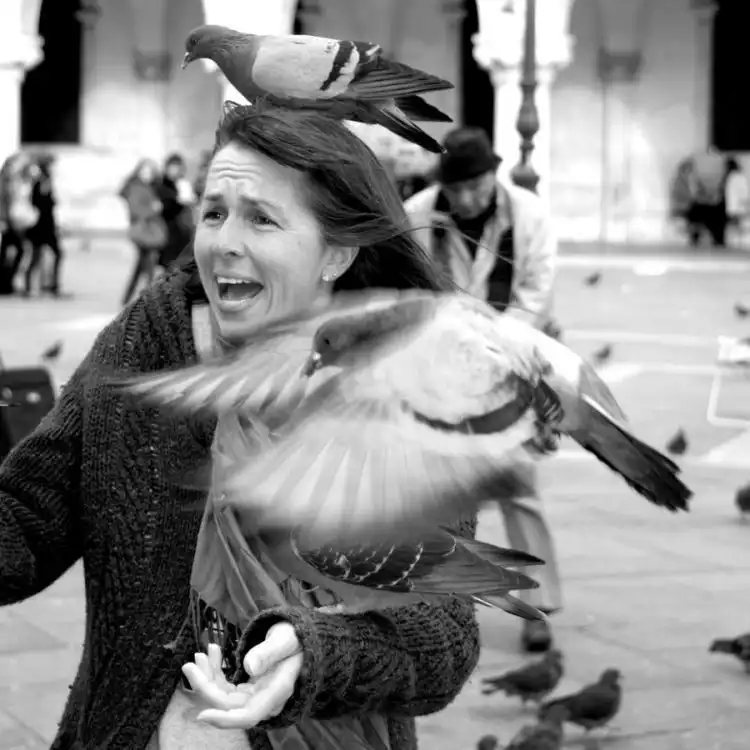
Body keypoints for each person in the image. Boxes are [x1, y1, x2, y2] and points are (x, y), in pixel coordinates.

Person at [0, 102, 479, 749]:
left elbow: (443, 633)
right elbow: (26, 522)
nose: (224, 241)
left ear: (336, 253)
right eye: (213, 212)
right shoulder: (149, 342)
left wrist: (316, 651)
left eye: (261, 218)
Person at [404, 126, 562, 652]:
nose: (466, 198)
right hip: (437, 369)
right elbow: (407, 286)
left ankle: (538, 605)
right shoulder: (420, 214)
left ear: (492, 177)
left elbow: (535, 293)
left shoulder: (529, 216)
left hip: (508, 363)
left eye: (474, 186)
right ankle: (429, 603)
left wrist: (490, 346)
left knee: (518, 485)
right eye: (456, 189)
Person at [119, 158, 167, 306]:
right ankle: (149, 302)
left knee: (141, 267)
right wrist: (153, 209)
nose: (148, 175)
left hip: (147, 231)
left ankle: (127, 299)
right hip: (143, 231)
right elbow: (135, 210)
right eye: (145, 171)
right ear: (138, 171)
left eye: (150, 172)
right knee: (150, 266)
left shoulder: (147, 187)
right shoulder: (136, 188)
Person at [24, 153, 65, 297]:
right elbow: (39, 202)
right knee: (39, 256)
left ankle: (45, 285)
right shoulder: (41, 181)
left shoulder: (43, 181)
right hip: (42, 225)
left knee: (43, 256)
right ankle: (40, 286)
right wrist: (52, 201)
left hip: (46, 225)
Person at [0, 152, 36, 296]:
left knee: (9, 251)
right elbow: (3, 202)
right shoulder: (4, 180)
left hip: (13, 220)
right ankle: (5, 282)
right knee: (16, 250)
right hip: (8, 221)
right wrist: (3, 220)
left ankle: (6, 283)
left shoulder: (13, 179)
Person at [157, 153, 196, 270]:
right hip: (167, 233)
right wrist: (178, 202)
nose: (175, 171)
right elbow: (163, 206)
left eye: (178, 168)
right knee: (168, 266)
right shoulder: (162, 185)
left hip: (183, 233)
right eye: (173, 168)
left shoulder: (182, 184)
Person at [724, 157, 749, 249]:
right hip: (735, 207)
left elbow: (744, 193)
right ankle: (736, 245)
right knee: (736, 227)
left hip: (738, 207)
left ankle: (738, 245)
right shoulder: (733, 176)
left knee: (738, 227)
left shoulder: (737, 177)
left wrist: (744, 204)